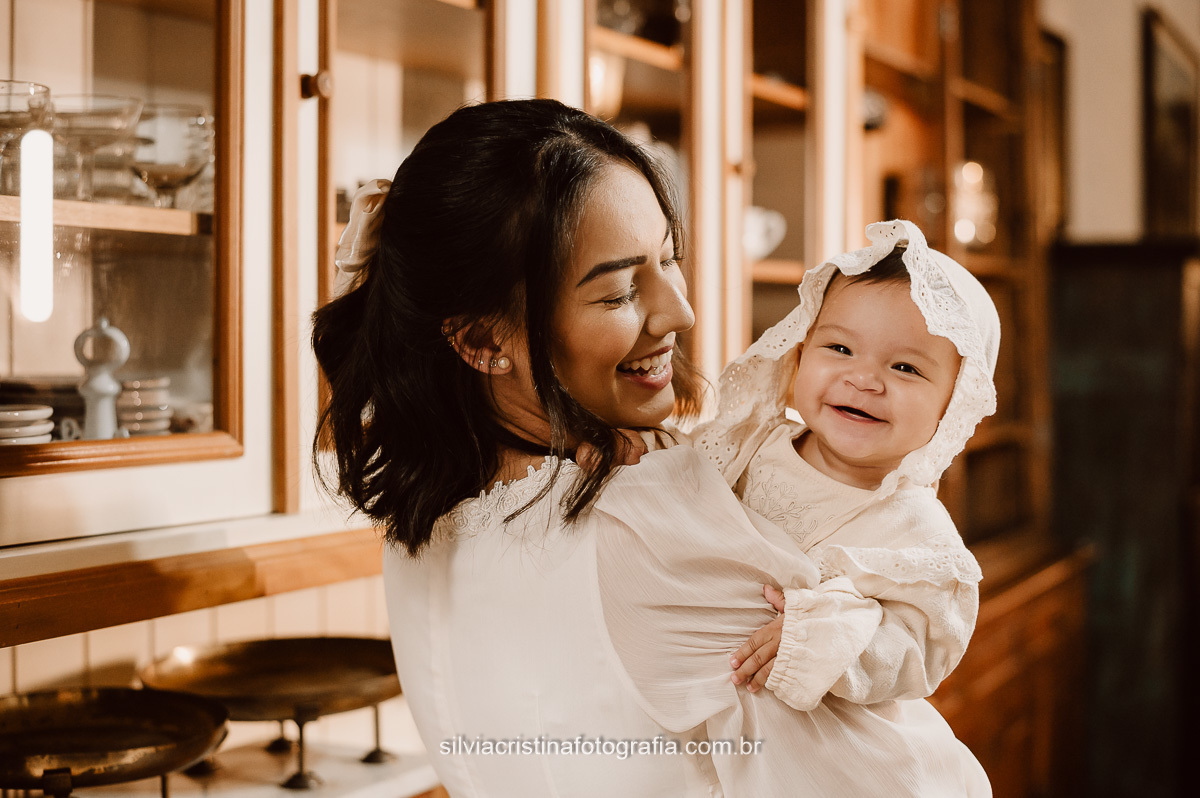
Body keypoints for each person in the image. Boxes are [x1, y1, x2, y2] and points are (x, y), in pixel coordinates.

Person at [313, 99, 989, 796]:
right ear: (484, 340)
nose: (680, 311)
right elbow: (887, 778)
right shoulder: (650, 523)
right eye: (617, 293)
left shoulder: (420, 502)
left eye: (669, 258)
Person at [691, 221, 996, 711]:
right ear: (799, 351)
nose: (863, 380)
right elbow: (673, 486)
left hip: (824, 736)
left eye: (905, 368)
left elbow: (919, 651)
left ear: (953, 405)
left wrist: (821, 643)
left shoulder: (918, 533)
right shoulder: (747, 444)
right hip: (702, 690)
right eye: (839, 348)